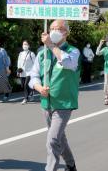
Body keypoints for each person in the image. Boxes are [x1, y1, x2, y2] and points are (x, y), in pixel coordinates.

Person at [29, 19, 79, 171]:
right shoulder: (42, 53)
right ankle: (71, 165)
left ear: (66, 32)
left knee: (52, 140)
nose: (53, 32)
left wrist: (51, 45)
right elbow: (34, 75)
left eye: (58, 29)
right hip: (46, 103)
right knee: (59, 138)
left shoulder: (73, 51)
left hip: (64, 103)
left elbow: (69, 63)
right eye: (51, 29)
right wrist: (38, 88)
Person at [17, 40, 36, 105]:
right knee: (23, 85)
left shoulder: (31, 54)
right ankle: (31, 92)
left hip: (29, 72)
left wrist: (34, 71)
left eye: (26, 44)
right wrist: (18, 70)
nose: (24, 45)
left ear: (29, 46)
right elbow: (19, 62)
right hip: (22, 72)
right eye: (23, 44)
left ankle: (25, 98)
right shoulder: (21, 53)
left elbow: (35, 63)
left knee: (25, 85)